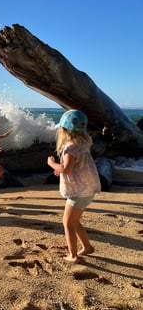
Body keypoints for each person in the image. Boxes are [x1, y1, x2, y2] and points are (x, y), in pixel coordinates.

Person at [47, 109, 101, 264]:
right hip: (87, 189)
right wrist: (61, 168)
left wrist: (52, 164)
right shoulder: (83, 143)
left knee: (67, 222)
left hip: (79, 192)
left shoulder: (70, 147)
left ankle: (73, 255)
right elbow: (74, 165)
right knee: (75, 221)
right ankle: (87, 247)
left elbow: (67, 169)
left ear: (64, 130)